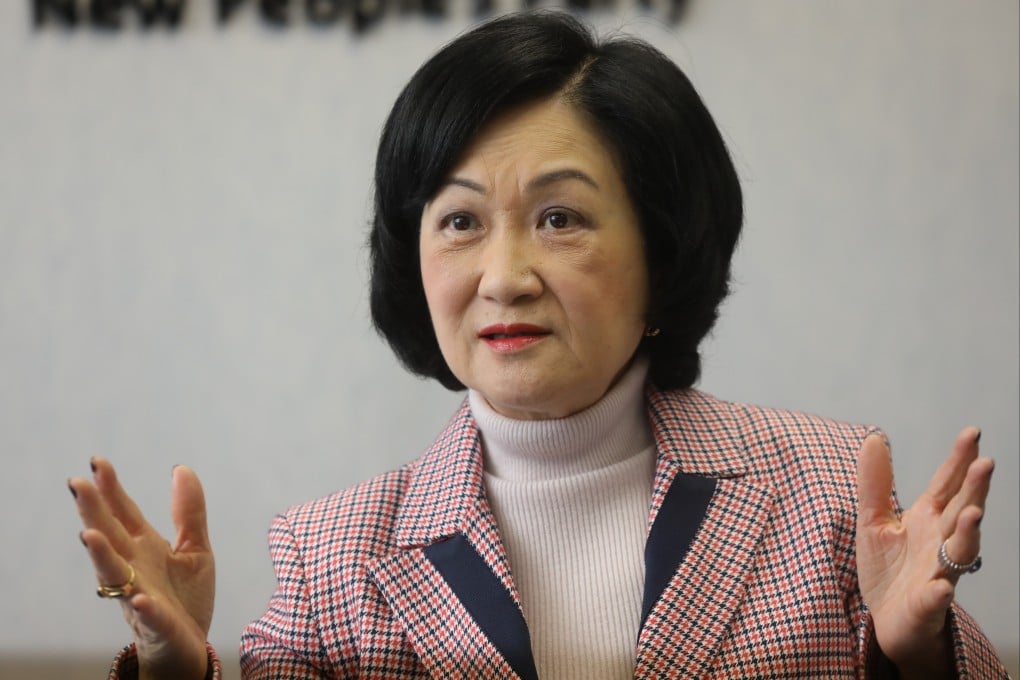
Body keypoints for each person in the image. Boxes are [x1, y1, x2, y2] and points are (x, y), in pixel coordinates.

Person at [68, 11, 1007, 679]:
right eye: (460, 221)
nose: (504, 275)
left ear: (662, 252)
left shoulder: (834, 496)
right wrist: (173, 672)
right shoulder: (334, 556)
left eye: (560, 218)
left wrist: (916, 659)